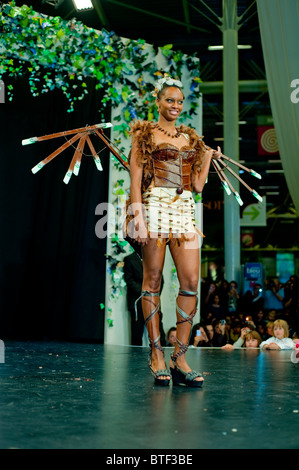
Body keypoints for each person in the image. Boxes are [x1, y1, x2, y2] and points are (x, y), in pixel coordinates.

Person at [126, 74, 223, 387]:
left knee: (191, 282)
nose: (176, 106)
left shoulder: (188, 140)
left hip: (184, 213)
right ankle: (156, 353)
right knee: (152, 280)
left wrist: (206, 157)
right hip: (154, 209)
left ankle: (179, 356)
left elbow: (195, 185)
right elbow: (135, 180)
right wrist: (137, 217)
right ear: (157, 101)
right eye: (170, 100)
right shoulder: (145, 136)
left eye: (180, 102)